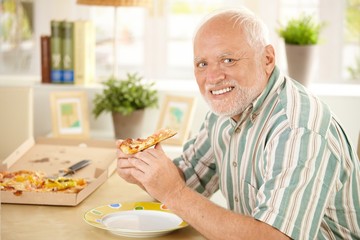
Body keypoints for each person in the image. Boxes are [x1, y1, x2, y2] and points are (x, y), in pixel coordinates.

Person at [117, 7, 360, 240]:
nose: (213, 77)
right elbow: (189, 180)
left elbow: (275, 237)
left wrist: (173, 192)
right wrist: (143, 172)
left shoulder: (298, 128)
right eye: (202, 64)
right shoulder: (227, 109)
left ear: (267, 59)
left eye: (228, 60)